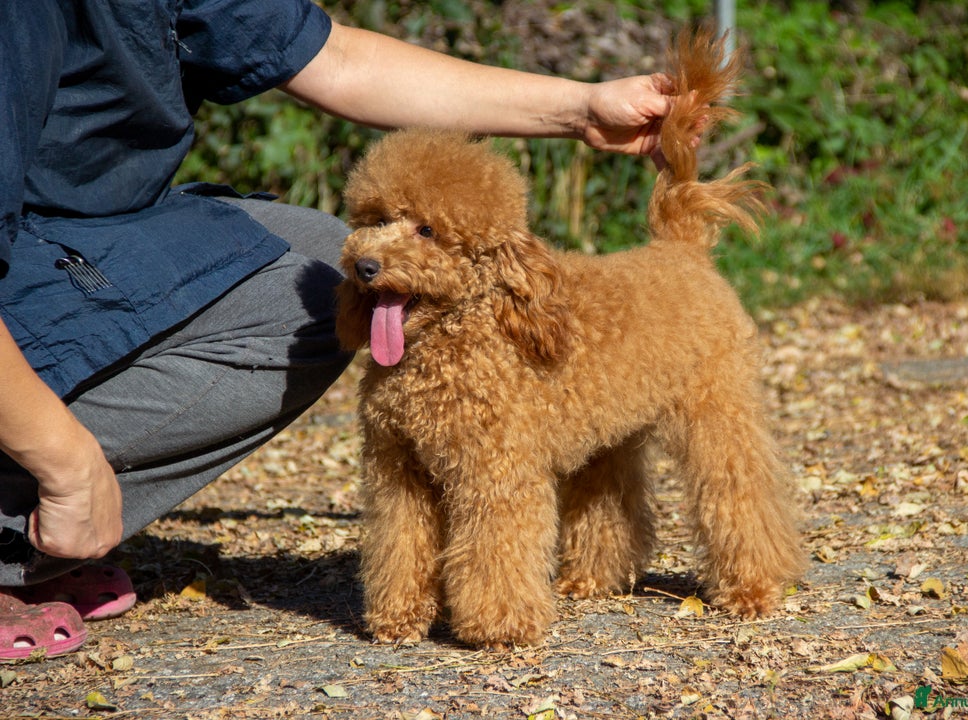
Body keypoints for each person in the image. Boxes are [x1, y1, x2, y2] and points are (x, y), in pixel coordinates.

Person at [0, 0, 682, 659]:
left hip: (106, 218)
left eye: (419, 230)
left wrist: (581, 107)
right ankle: (13, 525)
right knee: (319, 300)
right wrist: (67, 461)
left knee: (317, 259)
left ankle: (499, 601)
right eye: (379, 221)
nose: (376, 247)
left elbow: (337, 58)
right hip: (27, 240)